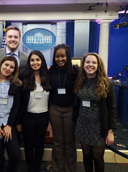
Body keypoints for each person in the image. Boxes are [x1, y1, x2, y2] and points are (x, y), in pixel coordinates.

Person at [73, 53, 117, 172]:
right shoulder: (79, 82)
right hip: (83, 126)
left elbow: (112, 109)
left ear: (99, 65)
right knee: (86, 156)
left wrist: (111, 131)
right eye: (87, 62)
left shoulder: (107, 84)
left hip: (99, 128)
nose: (90, 65)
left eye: (94, 62)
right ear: (83, 65)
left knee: (98, 158)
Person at [18, 50, 51, 172]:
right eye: (32, 60)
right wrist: (19, 121)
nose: (35, 62)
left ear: (42, 61)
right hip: (28, 116)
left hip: (44, 116)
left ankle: (37, 166)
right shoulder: (23, 75)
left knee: (40, 143)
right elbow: (19, 100)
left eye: (38, 60)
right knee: (28, 144)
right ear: (29, 62)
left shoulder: (48, 76)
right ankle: (30, 167)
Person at [49, 44, 78, 172]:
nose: (60, 59)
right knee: (57, 141)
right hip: (54, 109)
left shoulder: (75, 71)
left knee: (70, 141)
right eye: (57, 56)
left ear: (68, 57)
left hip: (70, 110)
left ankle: (70, 168)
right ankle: (57, 168)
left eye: (62, 56)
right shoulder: (50, 71)